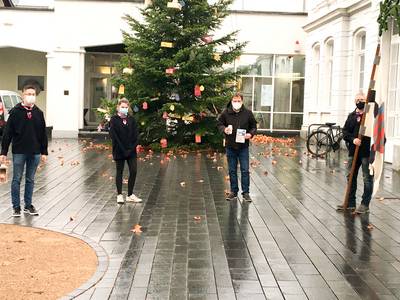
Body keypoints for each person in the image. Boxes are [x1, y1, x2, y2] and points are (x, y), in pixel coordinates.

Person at [0, 84, 48, 217]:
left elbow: (42, 134)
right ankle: (16, 207)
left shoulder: (39, 113)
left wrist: (44, 152)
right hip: (19, 151)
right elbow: (7, 133)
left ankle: (28, 205)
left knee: (30, 179)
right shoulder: (15, 112)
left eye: (33, 94)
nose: (31, 96)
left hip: (35, 152)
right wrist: (3, 152)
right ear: (22, 95)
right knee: (16, 179)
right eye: (28, 94)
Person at [217, 93, 257, 202]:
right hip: (230, 146)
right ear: (231, 101)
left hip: (243, 146)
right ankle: (233, 191)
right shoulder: (226, 113)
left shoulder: (248, 113)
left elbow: (254, 126)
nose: (236, 103)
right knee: (232, 170)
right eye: (234, 101)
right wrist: (224, 129)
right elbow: (219, 123)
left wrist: (250, 134)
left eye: (238, 101)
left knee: (245, 170)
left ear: (242, 102)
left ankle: (246, 193)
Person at [337, 92, 373, 214]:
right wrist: (353, 139)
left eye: (361, 99)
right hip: (353, 151)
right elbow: (345, 132)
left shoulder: (370, 116)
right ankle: (350, 202)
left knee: (367, 178)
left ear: (366, 100)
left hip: (366, 153)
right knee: (350, 176)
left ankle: (365, 204)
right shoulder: (352, 116)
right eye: (357, 99)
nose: (359, 101)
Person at [109, 98, 142, 204]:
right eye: (122, 107)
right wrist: (123, 149)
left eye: (126, 107)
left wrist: (131, 148)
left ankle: (130, 194)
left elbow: (136, 135)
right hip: (119, 150)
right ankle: (119, 195)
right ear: (118, 107)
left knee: (134, 170)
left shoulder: (131, 120)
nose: (124, 109)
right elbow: (114, 136)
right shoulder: (114, 120)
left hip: (131, 151)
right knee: (119, 171)